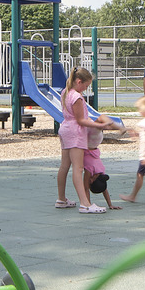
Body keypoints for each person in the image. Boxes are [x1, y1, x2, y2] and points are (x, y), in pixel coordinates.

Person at [56, 68, 107, 214]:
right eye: (86, 85)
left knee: (64, 166)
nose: (86, 89)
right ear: (79, 82)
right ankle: (85, 203)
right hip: (75, 133)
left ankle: (61, 199)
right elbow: (81, 120)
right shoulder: (77, 97)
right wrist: (100, 125)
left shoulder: (65, 92)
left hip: (65, 129)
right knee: (78, 168)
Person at [83, 125, 120, 210]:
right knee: (91, 122)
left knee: (95, 123)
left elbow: (104, 189)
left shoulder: (101, 173)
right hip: (89, 141)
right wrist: (88, 205)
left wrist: (110, 205)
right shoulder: (90, 170)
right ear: (91, 181)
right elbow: (85, 188)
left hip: (96, 141)